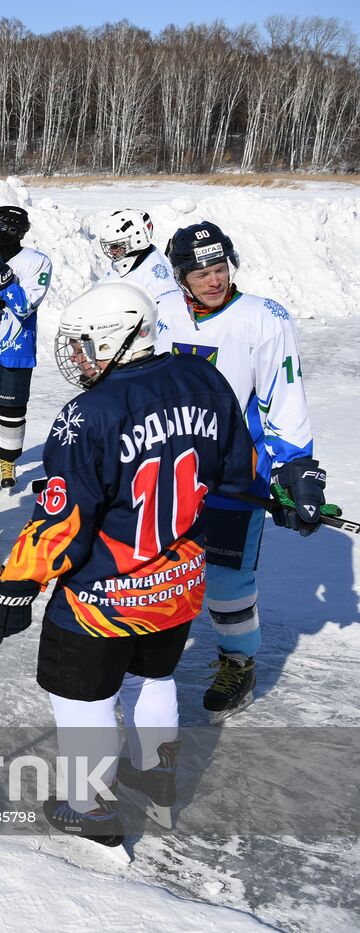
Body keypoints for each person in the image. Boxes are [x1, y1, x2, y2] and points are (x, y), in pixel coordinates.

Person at [0, 281, 257, 846]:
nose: (76, 358)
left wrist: (14, 580)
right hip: (178, 586)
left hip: (104, 601)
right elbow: (237, 473)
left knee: (83, 698)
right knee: (151, 676)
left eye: (84, 345)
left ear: (118, 340)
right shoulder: (205, 379)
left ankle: (91, 809)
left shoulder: (87, 415)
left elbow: (63, 526)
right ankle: (156, 774)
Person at [157, 220, 327, 722]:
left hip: (235, 474)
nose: (213, 279)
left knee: (228, 579)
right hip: (168, 472)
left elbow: (284, 396)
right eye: (200, 271)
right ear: (180, 276)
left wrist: (296, 468)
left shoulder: (263, 318)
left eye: (220, 267)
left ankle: (238, 662)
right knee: (159, 570)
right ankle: (151, 658)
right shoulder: (160, 310)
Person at [0, 205, 53, 489]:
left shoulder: (37, 262)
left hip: (15, 347)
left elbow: (26, 306)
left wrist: (5, 283)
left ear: (10, 232)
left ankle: (8, 461)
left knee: (12, 410)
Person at [94, 209, 186, 320]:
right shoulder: (119, 261)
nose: (112, 252)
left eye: (116, 246)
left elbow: (165, 321)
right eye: (111, 246)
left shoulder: (158, 279)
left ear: (136, 241)